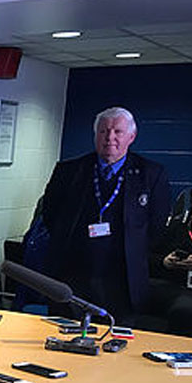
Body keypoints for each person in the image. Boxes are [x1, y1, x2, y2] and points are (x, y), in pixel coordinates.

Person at [40, 106, 169, 324]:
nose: (110, 138)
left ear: (131, 137)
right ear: (95, 135)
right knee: (65, 334)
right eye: (103, 131)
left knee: (117, 337)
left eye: (117, 131)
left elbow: (156, 226)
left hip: (123, 280)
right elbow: (51, 214)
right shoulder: (69, 171)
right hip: (73, 275)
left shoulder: (152, 174)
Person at [150, 187, 192, 336]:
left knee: (185, 309)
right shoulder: (176, 228)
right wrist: (165, 261)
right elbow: (148, 257)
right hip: (170, 285)